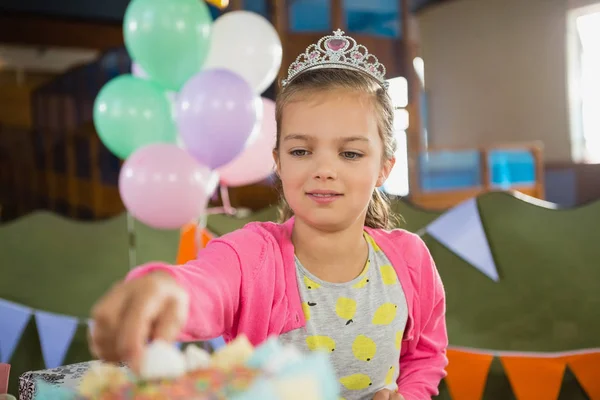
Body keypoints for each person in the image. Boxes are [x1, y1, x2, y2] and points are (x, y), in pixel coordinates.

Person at [90, 29, 448, 400]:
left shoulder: (411, 260)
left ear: (384, 168)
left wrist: (406, 396)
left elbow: (424, 355)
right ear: (278, 162)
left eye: (350, 154)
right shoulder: (252, 257)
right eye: (301, 151)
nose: (323, 169)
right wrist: (165, 288)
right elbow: (205, 284)